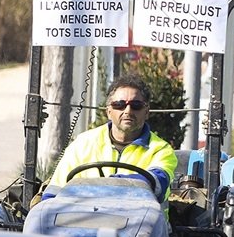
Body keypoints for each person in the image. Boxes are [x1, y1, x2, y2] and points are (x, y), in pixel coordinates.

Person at [46, 75, 178, 198]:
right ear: (108, 111)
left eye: (136, 105)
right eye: (119, 105)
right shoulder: (82, 143)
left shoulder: (161, 150)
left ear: (147, 112)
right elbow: (54, 192)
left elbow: (157, 183)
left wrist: (107, 185)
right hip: (85, 220)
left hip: (140, 221)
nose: (128, 111)